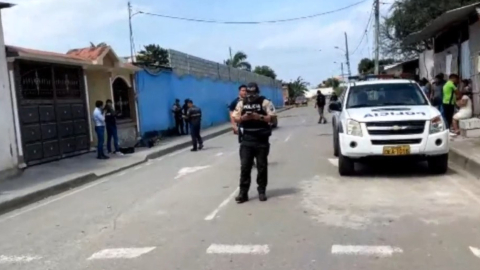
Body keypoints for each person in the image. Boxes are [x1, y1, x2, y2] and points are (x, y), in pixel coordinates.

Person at [232, 82, 276, 203]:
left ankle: (261, 191)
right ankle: (243, 193)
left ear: (257, 92)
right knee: (245, 167)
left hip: (261, 139)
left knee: (262, 167)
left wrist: (259, 117)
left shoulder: (265, 102)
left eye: (253, 92)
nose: (251, 95)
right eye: (248, 92)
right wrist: (243, 118)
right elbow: (235, 117)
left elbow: (272, 117)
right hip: (247, 139)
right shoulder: (241, 103)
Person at [230, 85, 256, 167]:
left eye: (245, 90)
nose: (244, 92)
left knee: (253, 143)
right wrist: (234, 125)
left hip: (252, 125)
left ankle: (252, 160)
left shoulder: (251, 100)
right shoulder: (235, 102)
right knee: (243, 144)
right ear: (239, 91)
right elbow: (232, 114)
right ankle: (245, 161)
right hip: (241, 125)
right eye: (242, 90)